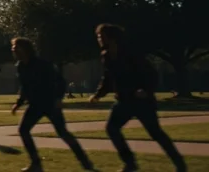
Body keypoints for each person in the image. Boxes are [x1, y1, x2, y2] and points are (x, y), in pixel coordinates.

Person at [89, 24, 186, 172]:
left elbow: (152, 74)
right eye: (98, 36)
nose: (99, 39)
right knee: (112, 129)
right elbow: (108, 78)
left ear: (112, 37)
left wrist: (145, 90)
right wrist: (98, 95)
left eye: (101, 36)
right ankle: (130, 163)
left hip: (141, 101)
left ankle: (180, 164)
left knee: (155, 133)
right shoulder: (106, 56)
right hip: (123, 100)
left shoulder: (130, 53)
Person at [11, 37, 93, 172]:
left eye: (16, 48)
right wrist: (18, 103)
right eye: (13, 48)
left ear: (24, 49)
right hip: (35, 105)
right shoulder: (20, 66)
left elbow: (60, 81)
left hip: (50, 104)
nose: (13, 50)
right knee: (23, 130)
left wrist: (58, 98)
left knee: (63, 133)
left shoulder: (42, 64)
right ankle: (36, 164)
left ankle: (85, 162)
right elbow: (25, 87)